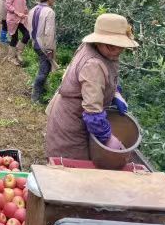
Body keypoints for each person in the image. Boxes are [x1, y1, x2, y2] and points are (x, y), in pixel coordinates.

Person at [45, 14, 138, 160]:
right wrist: (107, 137)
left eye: (119, 46)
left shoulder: (100, 51)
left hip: (71, 115)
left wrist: (114, 93)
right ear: (98, 40)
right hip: (72, 125)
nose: (116, 50)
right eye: (110, 45)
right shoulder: (93, 64)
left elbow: (102, 80)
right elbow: (92, 111)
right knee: (72, 170)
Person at [27, 0, 57, 103]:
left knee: (43, 67)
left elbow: (29, 27)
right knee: (44, 70)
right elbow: (49, 33)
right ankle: (36, 97)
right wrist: (49, 49)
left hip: (35, 43)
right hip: (44, 45)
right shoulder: (49, 12)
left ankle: (40, 90)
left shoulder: (33, 9)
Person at [5, 0, 30, 66]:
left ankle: (18, 52)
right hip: (13, 18)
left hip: (21, 18)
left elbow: (23, 3)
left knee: (27, 34)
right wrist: (17, 12)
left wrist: (26, 10)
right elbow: (8, 5)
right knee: (14, 38)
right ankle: (11, 57)